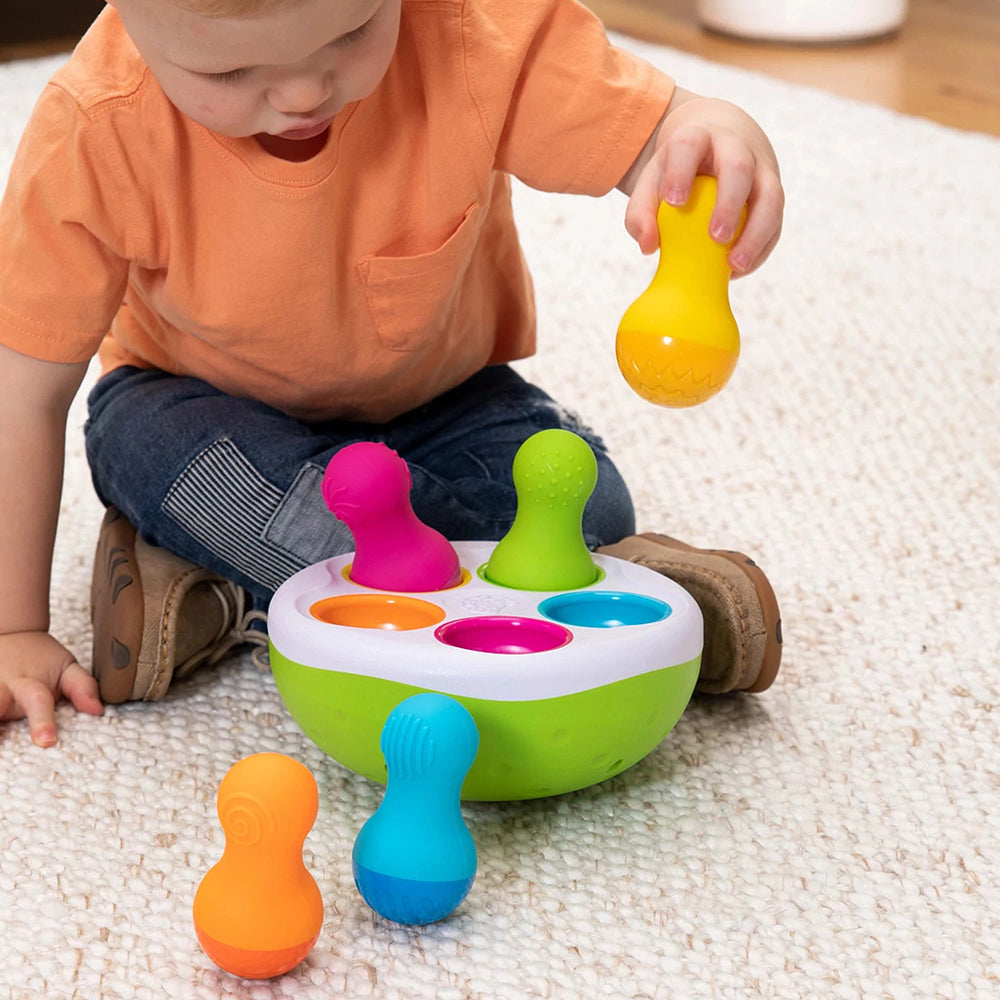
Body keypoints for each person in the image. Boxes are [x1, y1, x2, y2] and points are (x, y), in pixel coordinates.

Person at [0, 0, 785, 748]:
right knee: (205, 474)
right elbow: (23, 396)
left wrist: (708, 135)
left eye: (352, 29)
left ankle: (225, 588)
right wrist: (13, 630)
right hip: (197, 406)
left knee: (588, 501)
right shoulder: (96, 126)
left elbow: (659, 131)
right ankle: (574, 600)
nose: (305, 91)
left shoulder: (471, 33)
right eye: (230, 74)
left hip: (438, 402)